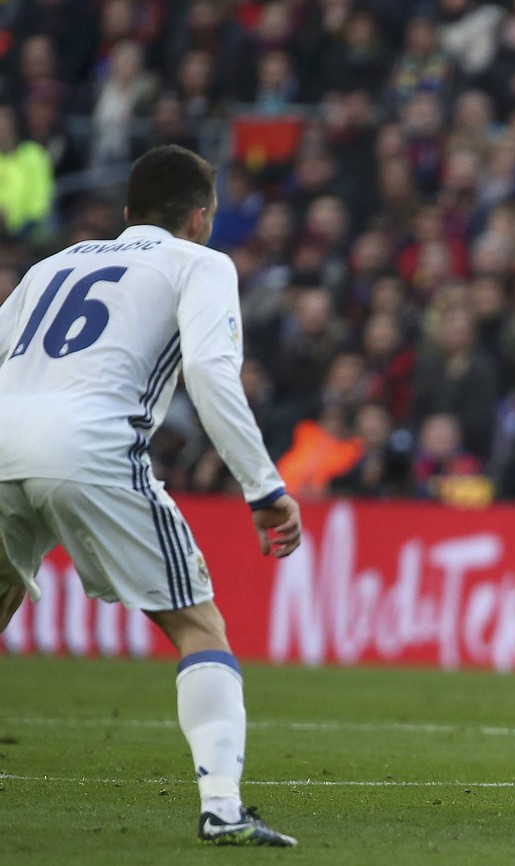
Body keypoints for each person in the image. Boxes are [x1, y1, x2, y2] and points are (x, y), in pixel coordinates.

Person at [0, 145, 302, 847]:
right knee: (199, 627)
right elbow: (209, 370)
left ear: (128, 212)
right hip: (90, 449)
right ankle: (223, 809)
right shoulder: (199, 263)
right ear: (199, 217)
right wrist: (264, 487)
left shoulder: (51, 266)